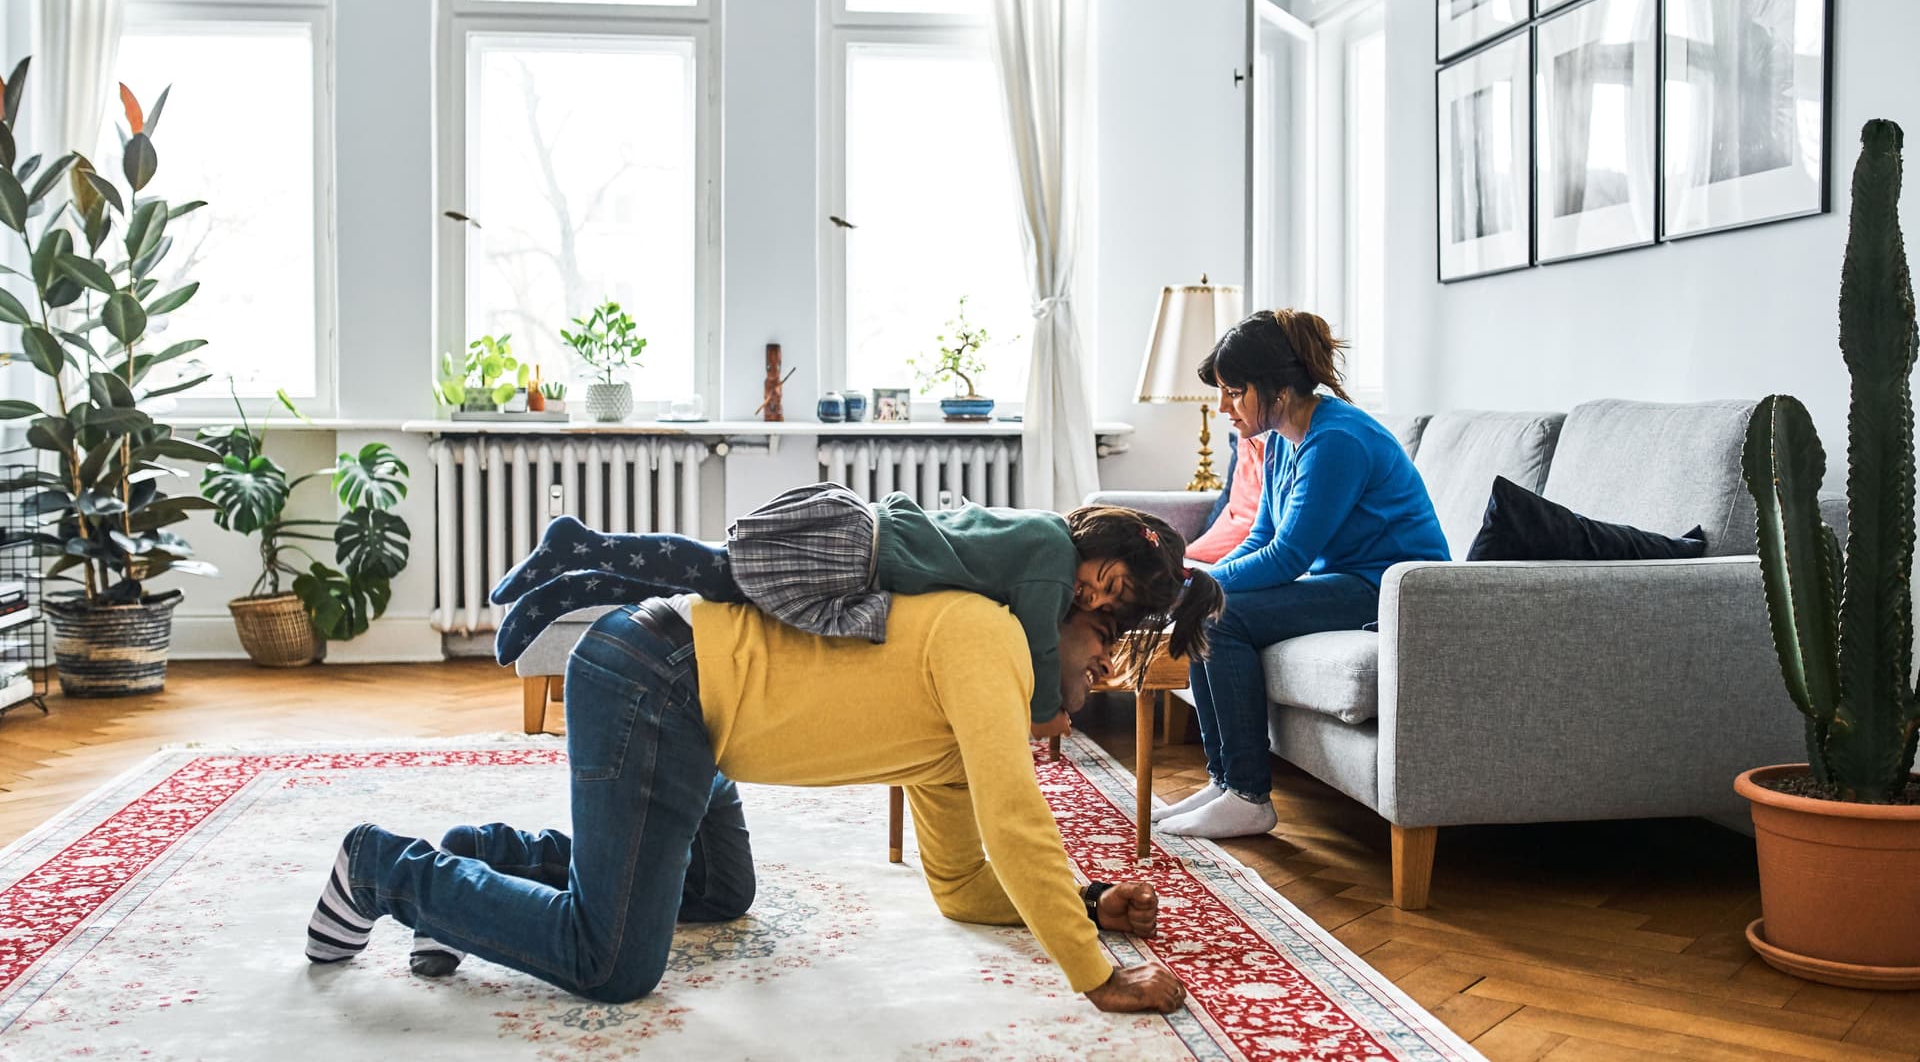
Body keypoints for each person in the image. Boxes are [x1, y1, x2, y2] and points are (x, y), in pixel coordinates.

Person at [305, 594, 1189, 1015]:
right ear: (1052, 618)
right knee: (611, 965)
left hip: (698, 724)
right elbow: (1020, 822)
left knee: (720, 892)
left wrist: (1083, 903)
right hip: (653, 684)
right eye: (1103, 635)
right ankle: (381, 868)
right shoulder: (987, 642)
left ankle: (481, 860)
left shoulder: (966, 715)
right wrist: (1098, 974)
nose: (1107, 663)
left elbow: (962, 883)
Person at [488, 487, 1224, 733]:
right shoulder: (1051, 555)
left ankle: (571, 589)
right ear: (1102, 542)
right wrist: (1043, 713)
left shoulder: (1052, 555)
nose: (1091, 597)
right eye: (1105, 580)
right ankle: (582, 546)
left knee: (712, 584)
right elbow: (1036, 644)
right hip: (857, 549)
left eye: (1111, 605)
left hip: (862, 559)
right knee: (712, 570)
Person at [1154, 310, 1448, 840]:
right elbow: (1261, 538)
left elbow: (1288, 557)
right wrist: (1198, 583)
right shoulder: (1279, 441)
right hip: (1348, 580)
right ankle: (1225, 782)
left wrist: (1200, 588)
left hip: (1392, 591)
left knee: (1219, 616)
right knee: (1208, 607)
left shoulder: (1336, 440)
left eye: (1234, 392)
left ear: (1278, 389)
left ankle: (1248, 796)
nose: (1223, 407)